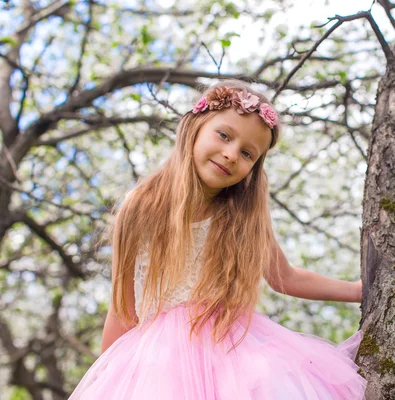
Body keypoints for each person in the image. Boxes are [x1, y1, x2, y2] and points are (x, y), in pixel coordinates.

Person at [69, 80, 366, 399]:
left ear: (254, 167)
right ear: (196, 126)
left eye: (247, 153)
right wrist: (107, 378)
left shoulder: (243, 217)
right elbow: (122, 309)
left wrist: (359, 291)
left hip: (231, 353)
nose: (230, 154)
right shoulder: (141, 206)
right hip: (158, 366)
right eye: (224, 135)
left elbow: (285, 277)